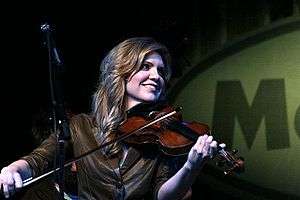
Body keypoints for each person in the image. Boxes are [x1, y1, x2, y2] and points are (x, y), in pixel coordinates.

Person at [0, 37, 217, 200]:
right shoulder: (81, 126)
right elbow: (39, 159)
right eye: (145, 66)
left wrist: (191, 166)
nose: (156, 76)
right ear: (121, 71)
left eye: (161, 71)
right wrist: (12, 170)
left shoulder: (163, 135)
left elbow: (163, 195)